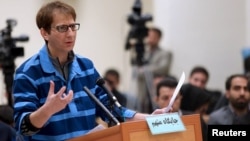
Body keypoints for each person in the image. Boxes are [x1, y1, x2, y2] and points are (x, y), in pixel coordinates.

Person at [12, 1, 169, 140]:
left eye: (73, 27)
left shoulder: (85, 66)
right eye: (62, 28)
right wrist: (47, 110)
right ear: (45, 33)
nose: (70, 33)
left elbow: (110, 110)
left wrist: (149, 119)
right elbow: (23, 128)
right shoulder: (27, 73)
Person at [132, 27, 172, 113]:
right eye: (149, 36)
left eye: (153, 37)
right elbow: (135, 70)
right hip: (142, 90)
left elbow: (163, 68)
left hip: (155, 89)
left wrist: (144, 70)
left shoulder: (165, 53)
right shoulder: (143, 54)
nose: (150, 39)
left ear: (159, 38)